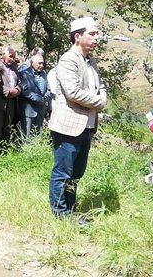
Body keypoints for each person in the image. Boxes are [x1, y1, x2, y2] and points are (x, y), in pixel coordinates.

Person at [48, 17, 107, 217]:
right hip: (68, 125)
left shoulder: (90, 61)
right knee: (62, 173)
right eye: (92, 33)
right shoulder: (68, 59)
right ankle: (60, 213)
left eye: (97, 33)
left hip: (87, 126)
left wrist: (102, 96)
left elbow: (101, 87)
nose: (97, 37)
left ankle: (70, 210)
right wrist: (99, 101)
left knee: (76, 173)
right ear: (77, 36)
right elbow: (73, 92)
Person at [0, 46, 21, 138]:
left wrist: (17, 90)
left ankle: (6, 149)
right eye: (10, 56)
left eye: (13, 57)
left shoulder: (14, 68)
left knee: (8, 127)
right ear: (3, 55)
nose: (12, 59)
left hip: (11, 102)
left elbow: (20, 82)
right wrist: (8, 91)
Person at [20, 54, 50, 138]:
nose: (41, 65)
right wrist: (40, 99)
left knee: (38, 136)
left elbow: (48, 89)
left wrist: (46, 98)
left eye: (42, 63)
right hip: (29, 111)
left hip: (41, 110)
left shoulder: (43, 73)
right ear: (32, 63)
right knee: (27, 137)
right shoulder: (24, 73)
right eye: (39, 63)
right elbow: (26, 91)